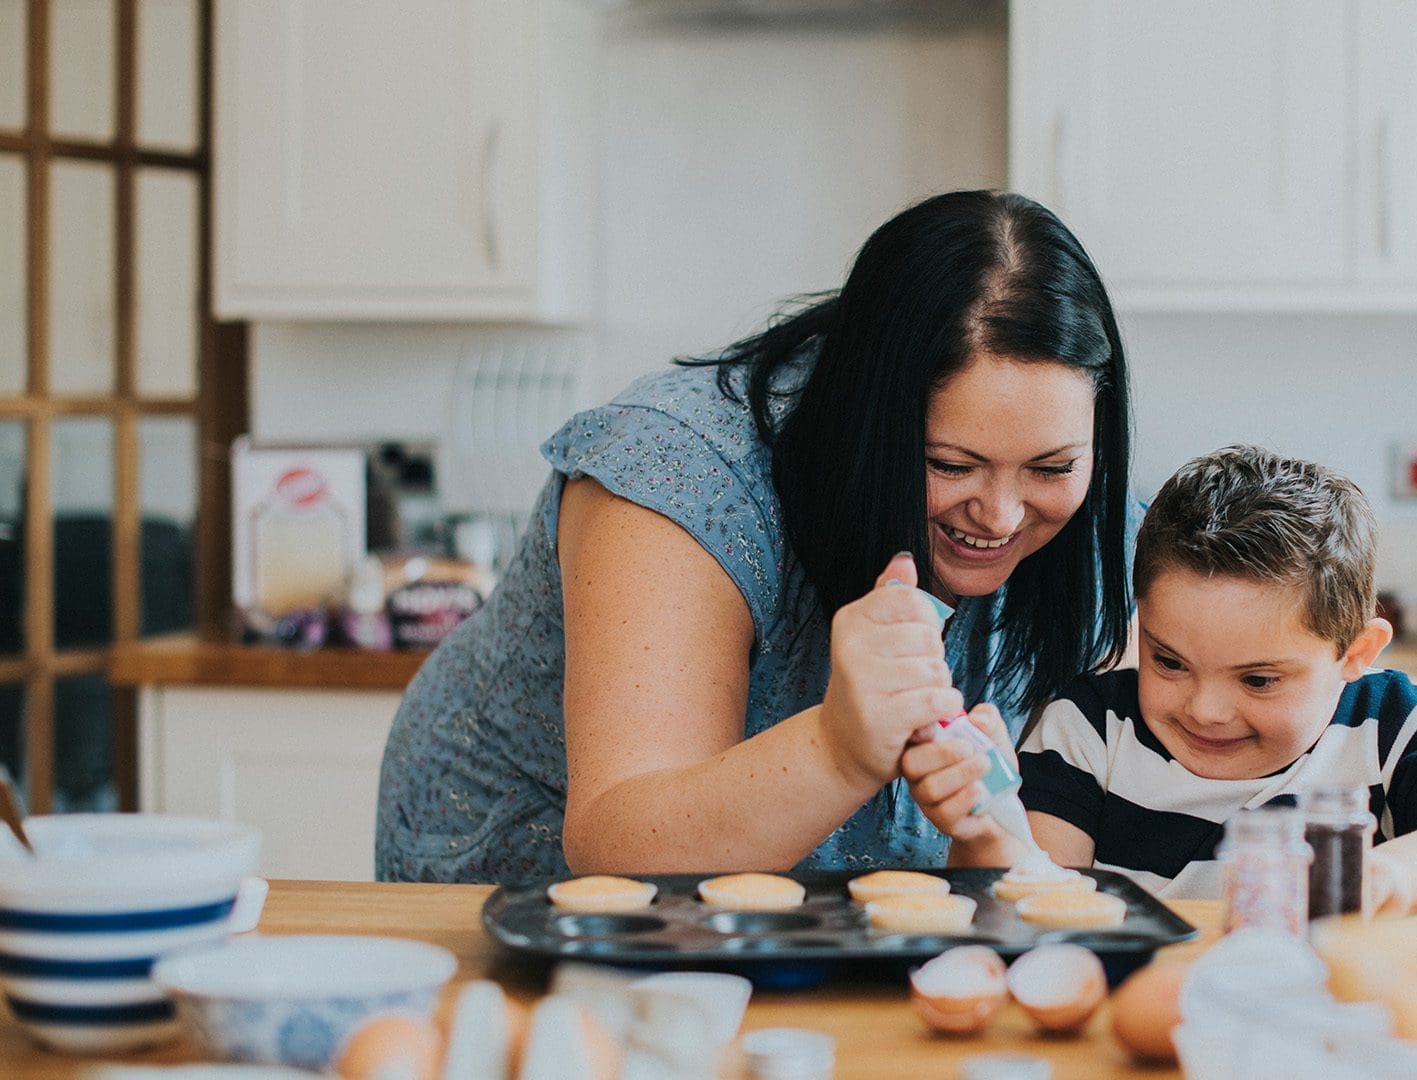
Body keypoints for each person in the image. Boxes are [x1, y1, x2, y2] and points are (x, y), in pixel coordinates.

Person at [375, 191, 1137, 883]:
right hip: (523, 878)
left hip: (821, 920)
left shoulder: (1101, 524)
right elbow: (622, 842)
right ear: (866, 422)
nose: (1002, 515)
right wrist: (838, 749)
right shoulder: (678, 471)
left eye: (1051, 466)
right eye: (950, 464)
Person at [903, 446, 1417, 909]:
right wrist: (985, 831)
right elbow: (1030, 902)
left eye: (1258, 681)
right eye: (1169, 662)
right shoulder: (1088, 732)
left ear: (1355, 654)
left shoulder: (1391, 727)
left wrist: (1383, 878)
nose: (1206, 710)